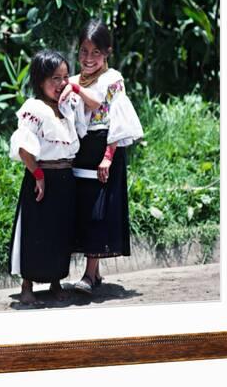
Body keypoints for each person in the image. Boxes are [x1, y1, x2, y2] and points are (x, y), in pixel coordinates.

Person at [8, 49, 100, 305]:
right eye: (54, 78)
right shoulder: (34, 108)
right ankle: (27, 287)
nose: (61, 84)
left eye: (65, 77)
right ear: (40, 80)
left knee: (60, 232)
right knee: (36, 231)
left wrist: (76, 89)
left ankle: (55, 282)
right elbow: (24, 147)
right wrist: (37, 175)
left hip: (65, 178)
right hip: (42, 178)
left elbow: (96, 106)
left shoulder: (67, 108)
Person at [61, 20, 143, 294]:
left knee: (97, 212)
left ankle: (89, 274)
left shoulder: (112, 80)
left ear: (107, 52)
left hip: (104, 150)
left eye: (96, 52)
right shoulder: (72, 81)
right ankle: (92, 276)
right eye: (84, 51)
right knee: (83, 210)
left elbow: (114, 119)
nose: (88, 58)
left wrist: (108, 158)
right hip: (81, 152)